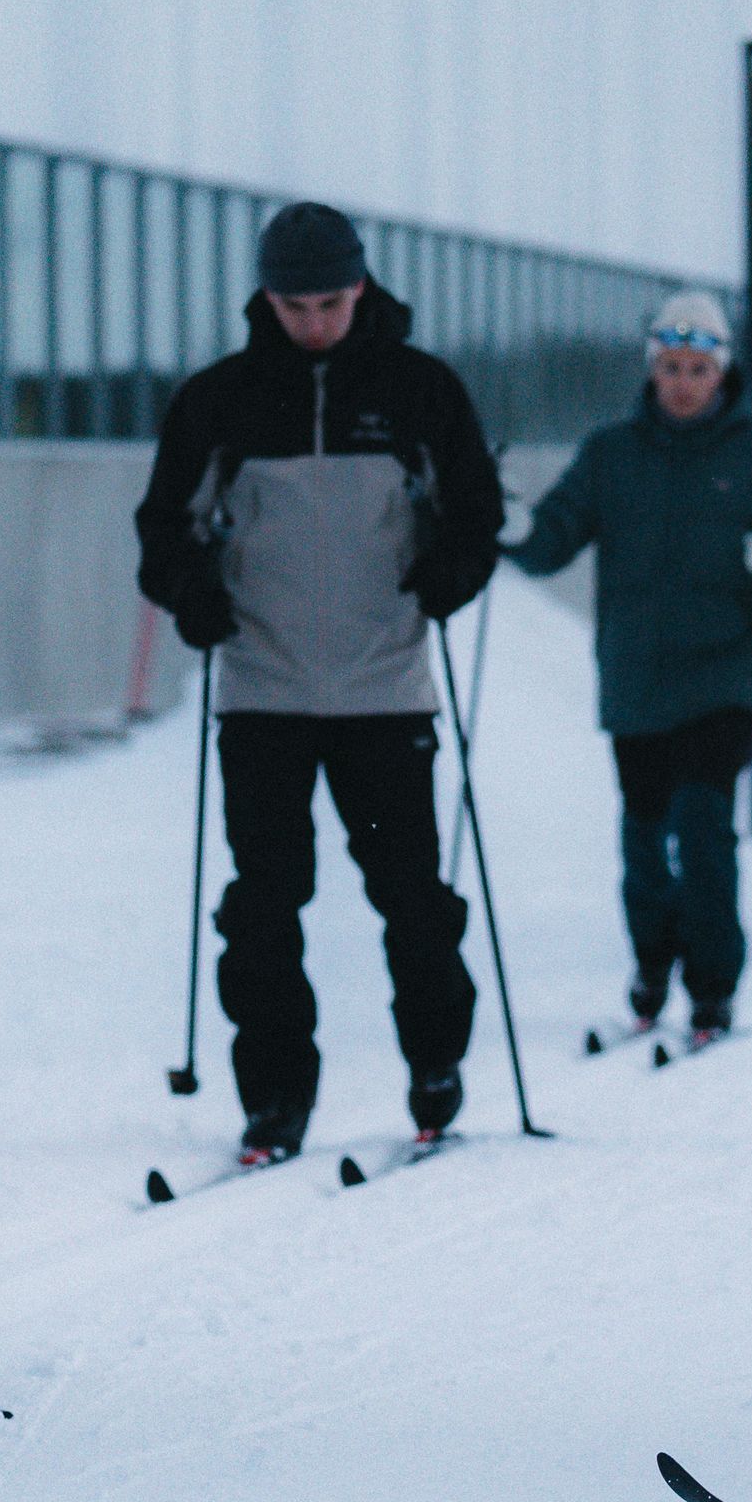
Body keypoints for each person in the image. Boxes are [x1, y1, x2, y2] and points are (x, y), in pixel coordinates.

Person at [134, 203, 502, 1164]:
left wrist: (450, 576)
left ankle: (435, 1067)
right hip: (262, 690)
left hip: (386, 691)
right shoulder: (220, 400)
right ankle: (275, 1099)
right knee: (263, 903)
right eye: (295, 305)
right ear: (266, 298)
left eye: (332, 302)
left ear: (362, 288)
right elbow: (161, 528)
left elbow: (477, 512)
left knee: (411, 897)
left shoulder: (420, 391)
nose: (315, 323)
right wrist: (191, 596)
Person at [504, 292, 752, 1046]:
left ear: (722, 372)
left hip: (728, 674)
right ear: (651, 368)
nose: (683, 382)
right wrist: (513, 527)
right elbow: (551, 539)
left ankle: (712, 987)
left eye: (697, 368)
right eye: (670, 367)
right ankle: (653, 965)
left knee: (704, 823)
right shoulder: (611, 453)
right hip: (637, 676)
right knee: (645, 838)